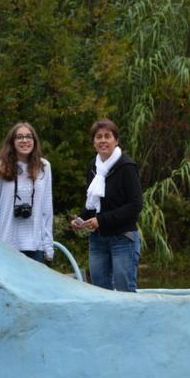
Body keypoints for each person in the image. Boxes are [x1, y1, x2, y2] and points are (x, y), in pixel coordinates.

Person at [71, 118, 142, 291]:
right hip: (98, 239)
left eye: (107, 136)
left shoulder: (127, 166)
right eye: (98, 137)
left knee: (124, 290)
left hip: (123, 238)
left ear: (116, 140)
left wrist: (101, 220)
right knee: (99, 291)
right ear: (93, 142)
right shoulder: (93, 168)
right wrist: (80, 218)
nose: (103, 140)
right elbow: (92, 204)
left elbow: (135, 205)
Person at [0, 122, 54, 263]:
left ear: (34, 141)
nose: (25, 140)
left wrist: (48, 244)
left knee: (36, 285)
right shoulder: (2, 167)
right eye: (19, 137)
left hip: (35, 244)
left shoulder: (44, 167)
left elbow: (47, 208)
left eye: (29, 137)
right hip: (6, 243)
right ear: (12, 142)